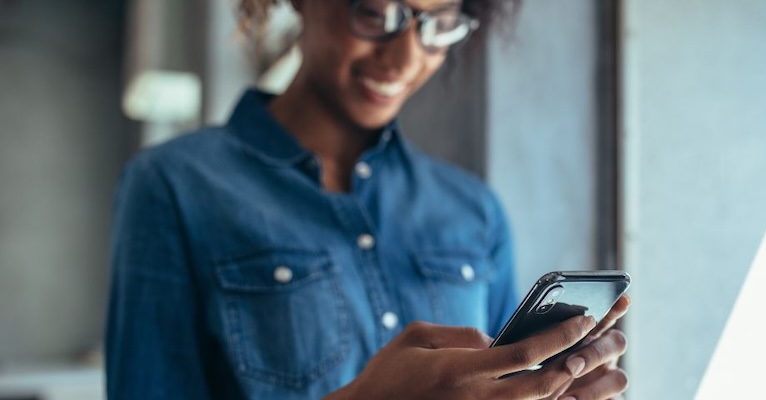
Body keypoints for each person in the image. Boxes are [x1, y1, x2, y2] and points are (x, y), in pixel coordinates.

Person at [104, 0, 631, 399]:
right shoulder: (174, 186)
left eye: (438, 25)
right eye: (377, 15)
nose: (405, 57)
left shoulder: (472, 209)